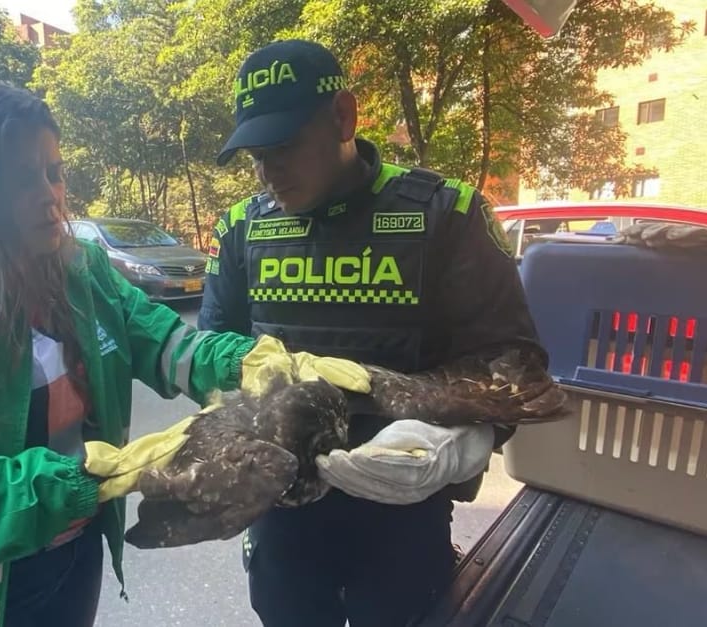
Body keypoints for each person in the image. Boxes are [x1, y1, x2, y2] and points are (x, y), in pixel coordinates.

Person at [0, 80, 371, 627]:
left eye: (54, 173)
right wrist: (68, 483)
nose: (48, 196)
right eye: (21, 179)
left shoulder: (82, 274)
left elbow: (171, 343)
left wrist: (249, 362)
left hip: (70, 558)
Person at [199, 39, 553, 626]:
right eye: (255, 156)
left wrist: (457, 441)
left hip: (402, 513)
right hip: (284, 510)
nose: (267, 172)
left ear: (343, 116)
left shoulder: (446, 214)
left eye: (284, 146)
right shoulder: (242, 229)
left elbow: (515, 362)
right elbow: (211, 358)